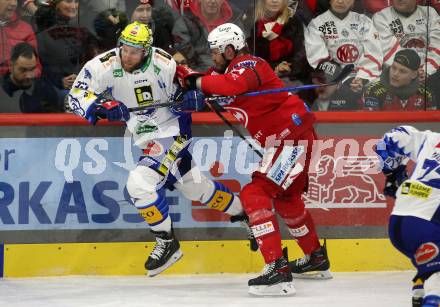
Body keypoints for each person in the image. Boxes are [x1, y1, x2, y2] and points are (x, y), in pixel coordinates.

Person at [68, 21, 254, 277]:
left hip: (172, 131)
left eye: (135, 51)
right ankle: (247, 214)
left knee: (138, 185)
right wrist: (99, 106)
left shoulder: (163, 63)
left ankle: (166, 240)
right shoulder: (103, 65)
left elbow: (190, 82)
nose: (128, 55)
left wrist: (191, 97)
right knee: (195, 188)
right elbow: (76, 95)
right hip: (144, 137)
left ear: (146, 50)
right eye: (124, 48)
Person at [176, 23, 331, 296]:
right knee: (287, 198)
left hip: (290, 137)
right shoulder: (220, 72)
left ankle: (276, 269)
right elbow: (207, 88)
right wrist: (186, 80)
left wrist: (195, 80)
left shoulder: (250, 63)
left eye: (215, 51)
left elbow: (231, 85)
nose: (212, 56)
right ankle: (315, 257)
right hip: (287, 139)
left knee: (253, 194)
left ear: (229, 49)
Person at [375, 125, 440, 307]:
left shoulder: (430, 139)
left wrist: (392, 172)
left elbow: (383, 143)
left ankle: (420, 289)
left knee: (430, 268)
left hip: (398, 223)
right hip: (426, 225)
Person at [305, 0, 383, 110]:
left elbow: (374, 53)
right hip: (332, 79)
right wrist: (340, 79)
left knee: (381, 87)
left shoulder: (364, 21)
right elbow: (318, 59)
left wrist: (362, 77)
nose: (340, 1)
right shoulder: (317, 24)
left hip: (362, 76)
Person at [245, 0, 314, 99]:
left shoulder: (294, 21)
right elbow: (252, 56)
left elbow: (302, 53)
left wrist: (289, 67)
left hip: (293, 76)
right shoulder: (253, 24)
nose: (275, 1)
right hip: (263, 78)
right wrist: (275, 68)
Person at [35, 0, 99, 105]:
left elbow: (94, 61)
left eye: (76, 1)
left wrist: (80, 77)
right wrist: (60, 80)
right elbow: (41, 68)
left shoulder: (87, 31)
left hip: (85, 87)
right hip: (56, 90)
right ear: (56, 5)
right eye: (68, 1)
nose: (73, 6)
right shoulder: (43, 36)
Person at [372, 0, 440, 97]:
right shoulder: (381, 17)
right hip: (398, 71)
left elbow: (437, 44)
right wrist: (411, 72)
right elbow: (388, 50)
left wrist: (426, 70)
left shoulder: (430, 12)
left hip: (430, 70)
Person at [172, 0, 245, 71]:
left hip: (231, 72)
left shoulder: (234, 21)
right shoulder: (186, 22)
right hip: (199, 73)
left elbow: (242, 51)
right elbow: (183, 51)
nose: (213, 1)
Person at [362, 48, 437, 111]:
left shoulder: (427, 95)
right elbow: (370, 124)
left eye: (402, 71)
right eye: (394, 68)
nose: (395, 74)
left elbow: (430, 126)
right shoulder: (373, 91)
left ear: (414, 75)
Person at [1, 42, 60, 112]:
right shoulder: (2, 92)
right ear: (11, 66)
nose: (29, 75)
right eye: (23, 70)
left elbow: (55, 117)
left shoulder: (45, 89)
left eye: (32, 69)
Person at [0, 0, 38, 76]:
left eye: (16, 0)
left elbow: (36, 68)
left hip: (18, 83)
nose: (13, 3)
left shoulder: (26, 28)